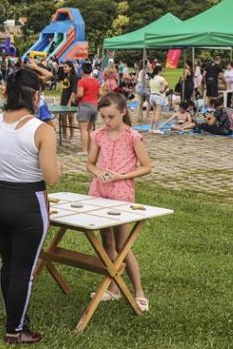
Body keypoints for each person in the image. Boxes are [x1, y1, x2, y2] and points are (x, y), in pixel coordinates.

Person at [0, 67, 61, 345]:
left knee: (9, 264)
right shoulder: (42, 130)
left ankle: (13, 317)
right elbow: (52, 177)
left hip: (0, 197)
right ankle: (15, 329)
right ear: (36, 96)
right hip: (29, 202)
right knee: (23, 271)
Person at [86, 92, 152, 312]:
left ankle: (139, 291)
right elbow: (90, 164)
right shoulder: (98, 135)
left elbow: (146, 166)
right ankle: (113, 288)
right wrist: (99, 172)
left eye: (111, 116)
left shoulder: (133, 137)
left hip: (121, 195)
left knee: (123, 245)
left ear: (123, 112)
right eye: (103, 117)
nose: (106, 121)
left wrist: (120, 176)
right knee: (107, 244)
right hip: (99, 192)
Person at [76, 62, 101, 155]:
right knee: (89, 129)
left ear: (82, 70)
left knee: (83, 129)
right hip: (94, 106)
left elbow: (80, 94)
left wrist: (76, 99)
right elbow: (101, 93)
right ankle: (90, 149)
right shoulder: (96, 81)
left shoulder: (81, 81)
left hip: (84, 106)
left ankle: (84, 150)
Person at [58, 60, 78, 142]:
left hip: (70, 101)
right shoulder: (66, 76)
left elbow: (74, 90)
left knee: (71, 118)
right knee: (63, 118)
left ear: (70, 67)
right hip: (63, 100)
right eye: (63, 67)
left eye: (65, 67)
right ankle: (64, 135)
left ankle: (72, 136)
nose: (64, 68)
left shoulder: (74, 77)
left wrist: (69, 102)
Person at [148, 66, 168, 134]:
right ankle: (156, 129)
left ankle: (151, 128)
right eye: (162, 71)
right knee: (157, 113)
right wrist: (163, 90)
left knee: (153, 113)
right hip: (157, 96)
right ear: (159, 71)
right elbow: (166, 84)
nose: (163, 72)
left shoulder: (151, 78)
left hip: (152, 96)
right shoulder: (160, 78)